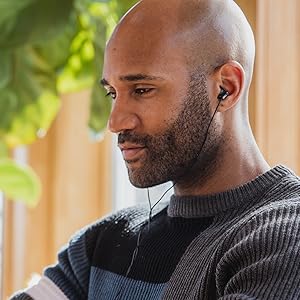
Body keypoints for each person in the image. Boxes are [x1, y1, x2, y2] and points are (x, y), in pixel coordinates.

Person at [11, 0, 300, 299]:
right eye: (113, 93)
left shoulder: (284, 238)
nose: (115, 121)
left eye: (142, 90)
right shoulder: (101, 246)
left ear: (226, 87)